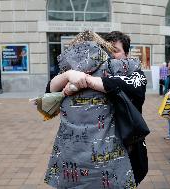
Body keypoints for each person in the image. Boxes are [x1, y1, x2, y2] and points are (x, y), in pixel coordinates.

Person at [44, 31, 147, 188]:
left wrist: (85, 80)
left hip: (72, 162)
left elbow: (48, 95)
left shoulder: (66, 76)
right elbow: (139, 79)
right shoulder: (115, 68)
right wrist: (69, 76)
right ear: (101, 49)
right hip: (112, 162)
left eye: (116, 50)